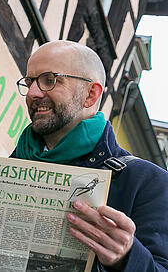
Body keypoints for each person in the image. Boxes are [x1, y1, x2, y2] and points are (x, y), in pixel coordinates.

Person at [12, 40, 168, 271]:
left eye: (49, 80)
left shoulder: (148, 182)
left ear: (91, 94)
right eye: (29, 82)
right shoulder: (12, 163)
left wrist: (126, 258)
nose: (33, 93)